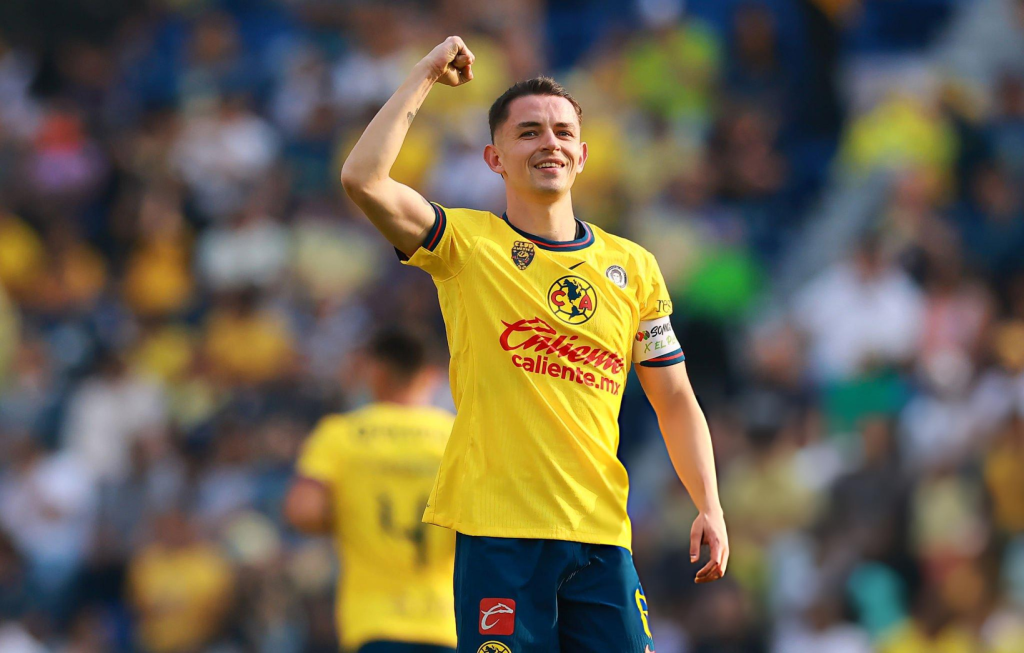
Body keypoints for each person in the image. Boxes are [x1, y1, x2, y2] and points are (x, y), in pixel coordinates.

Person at [340, 36, 729, 653]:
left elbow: (674, 395)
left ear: (581, 154)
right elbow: (363, 179)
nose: (548, 142)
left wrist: (709, 502)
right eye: (527, 133)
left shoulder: (634, 267)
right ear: (495, 159)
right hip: (500, 535)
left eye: (561, 131)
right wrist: (423, 75)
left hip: (600, 534)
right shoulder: (467, 246)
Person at [284, 328, 457, 653]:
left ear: (374, 371)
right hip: (446, 622)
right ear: (431, 375)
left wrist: (349, 515)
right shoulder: (455, 437)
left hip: (372, 619)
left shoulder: (341, 435)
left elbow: (303, 510)